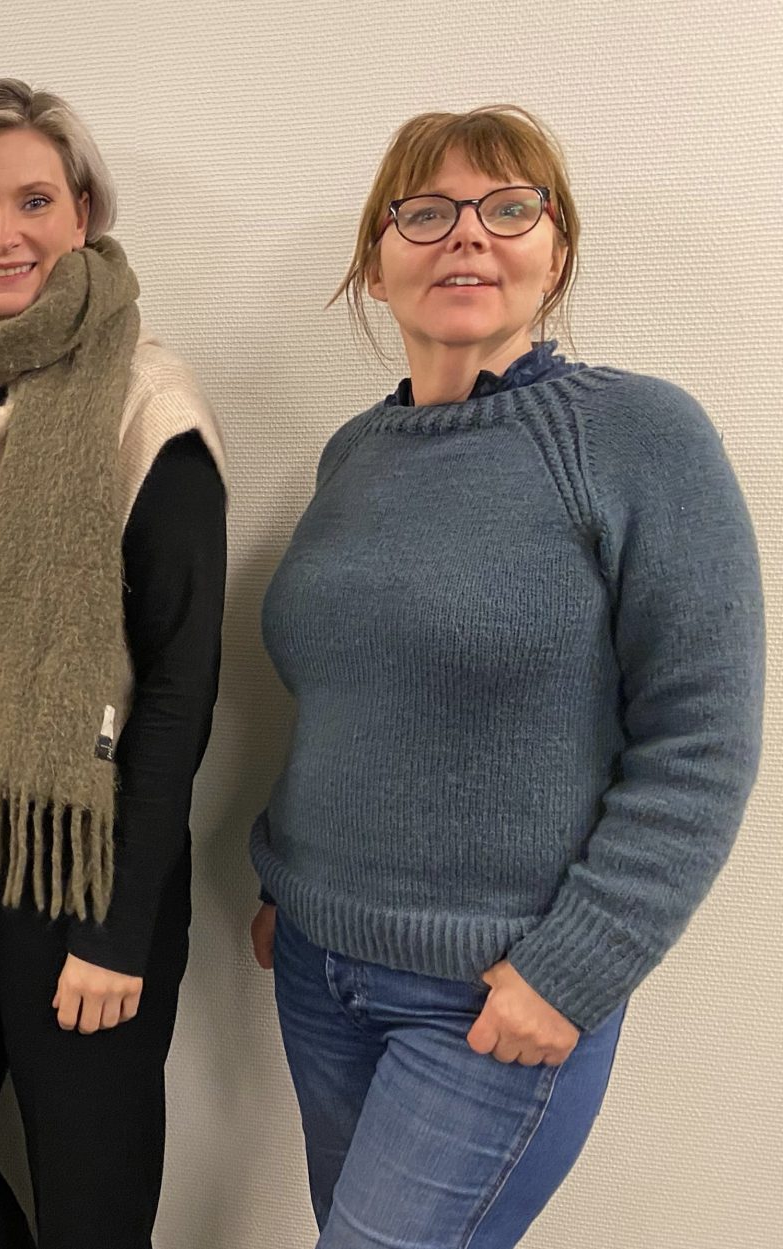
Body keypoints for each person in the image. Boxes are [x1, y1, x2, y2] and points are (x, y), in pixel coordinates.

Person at [248, 104, 764, 1247]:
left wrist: (573, 970)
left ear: (556, 252)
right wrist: (292, 888)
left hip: (492, 992)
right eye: (426, 213)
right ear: (376, 265)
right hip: (320, 972)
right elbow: (347, 696)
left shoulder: (638, 435)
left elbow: (703, 739)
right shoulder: (354, 454)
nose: (468, 235)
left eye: (509, 207)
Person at [0, 79, 227, 1248]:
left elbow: (181, 681)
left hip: (81, 850)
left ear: (84, 213)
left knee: (91, 1200)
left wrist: (119, 926)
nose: (3, 233)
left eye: (34, 201)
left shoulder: (147, 401)